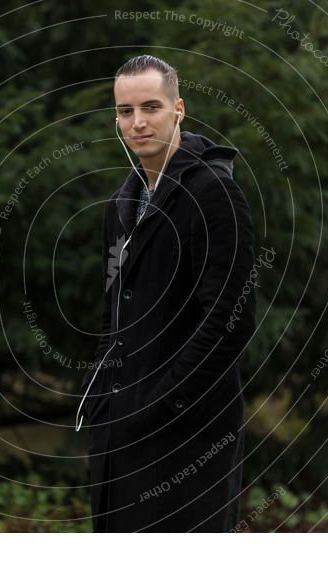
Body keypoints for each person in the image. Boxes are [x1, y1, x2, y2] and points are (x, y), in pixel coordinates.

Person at [77, 55, 256, 532]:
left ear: (179, 108)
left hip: (187, 436)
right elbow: (112, 316)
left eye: (150, 107)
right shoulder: (121, 204)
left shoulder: (214, 192)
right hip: (120, 435)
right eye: (124, 111)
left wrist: (160, 404)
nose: (137, 122)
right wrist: (102, 401)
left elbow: (229, 321)